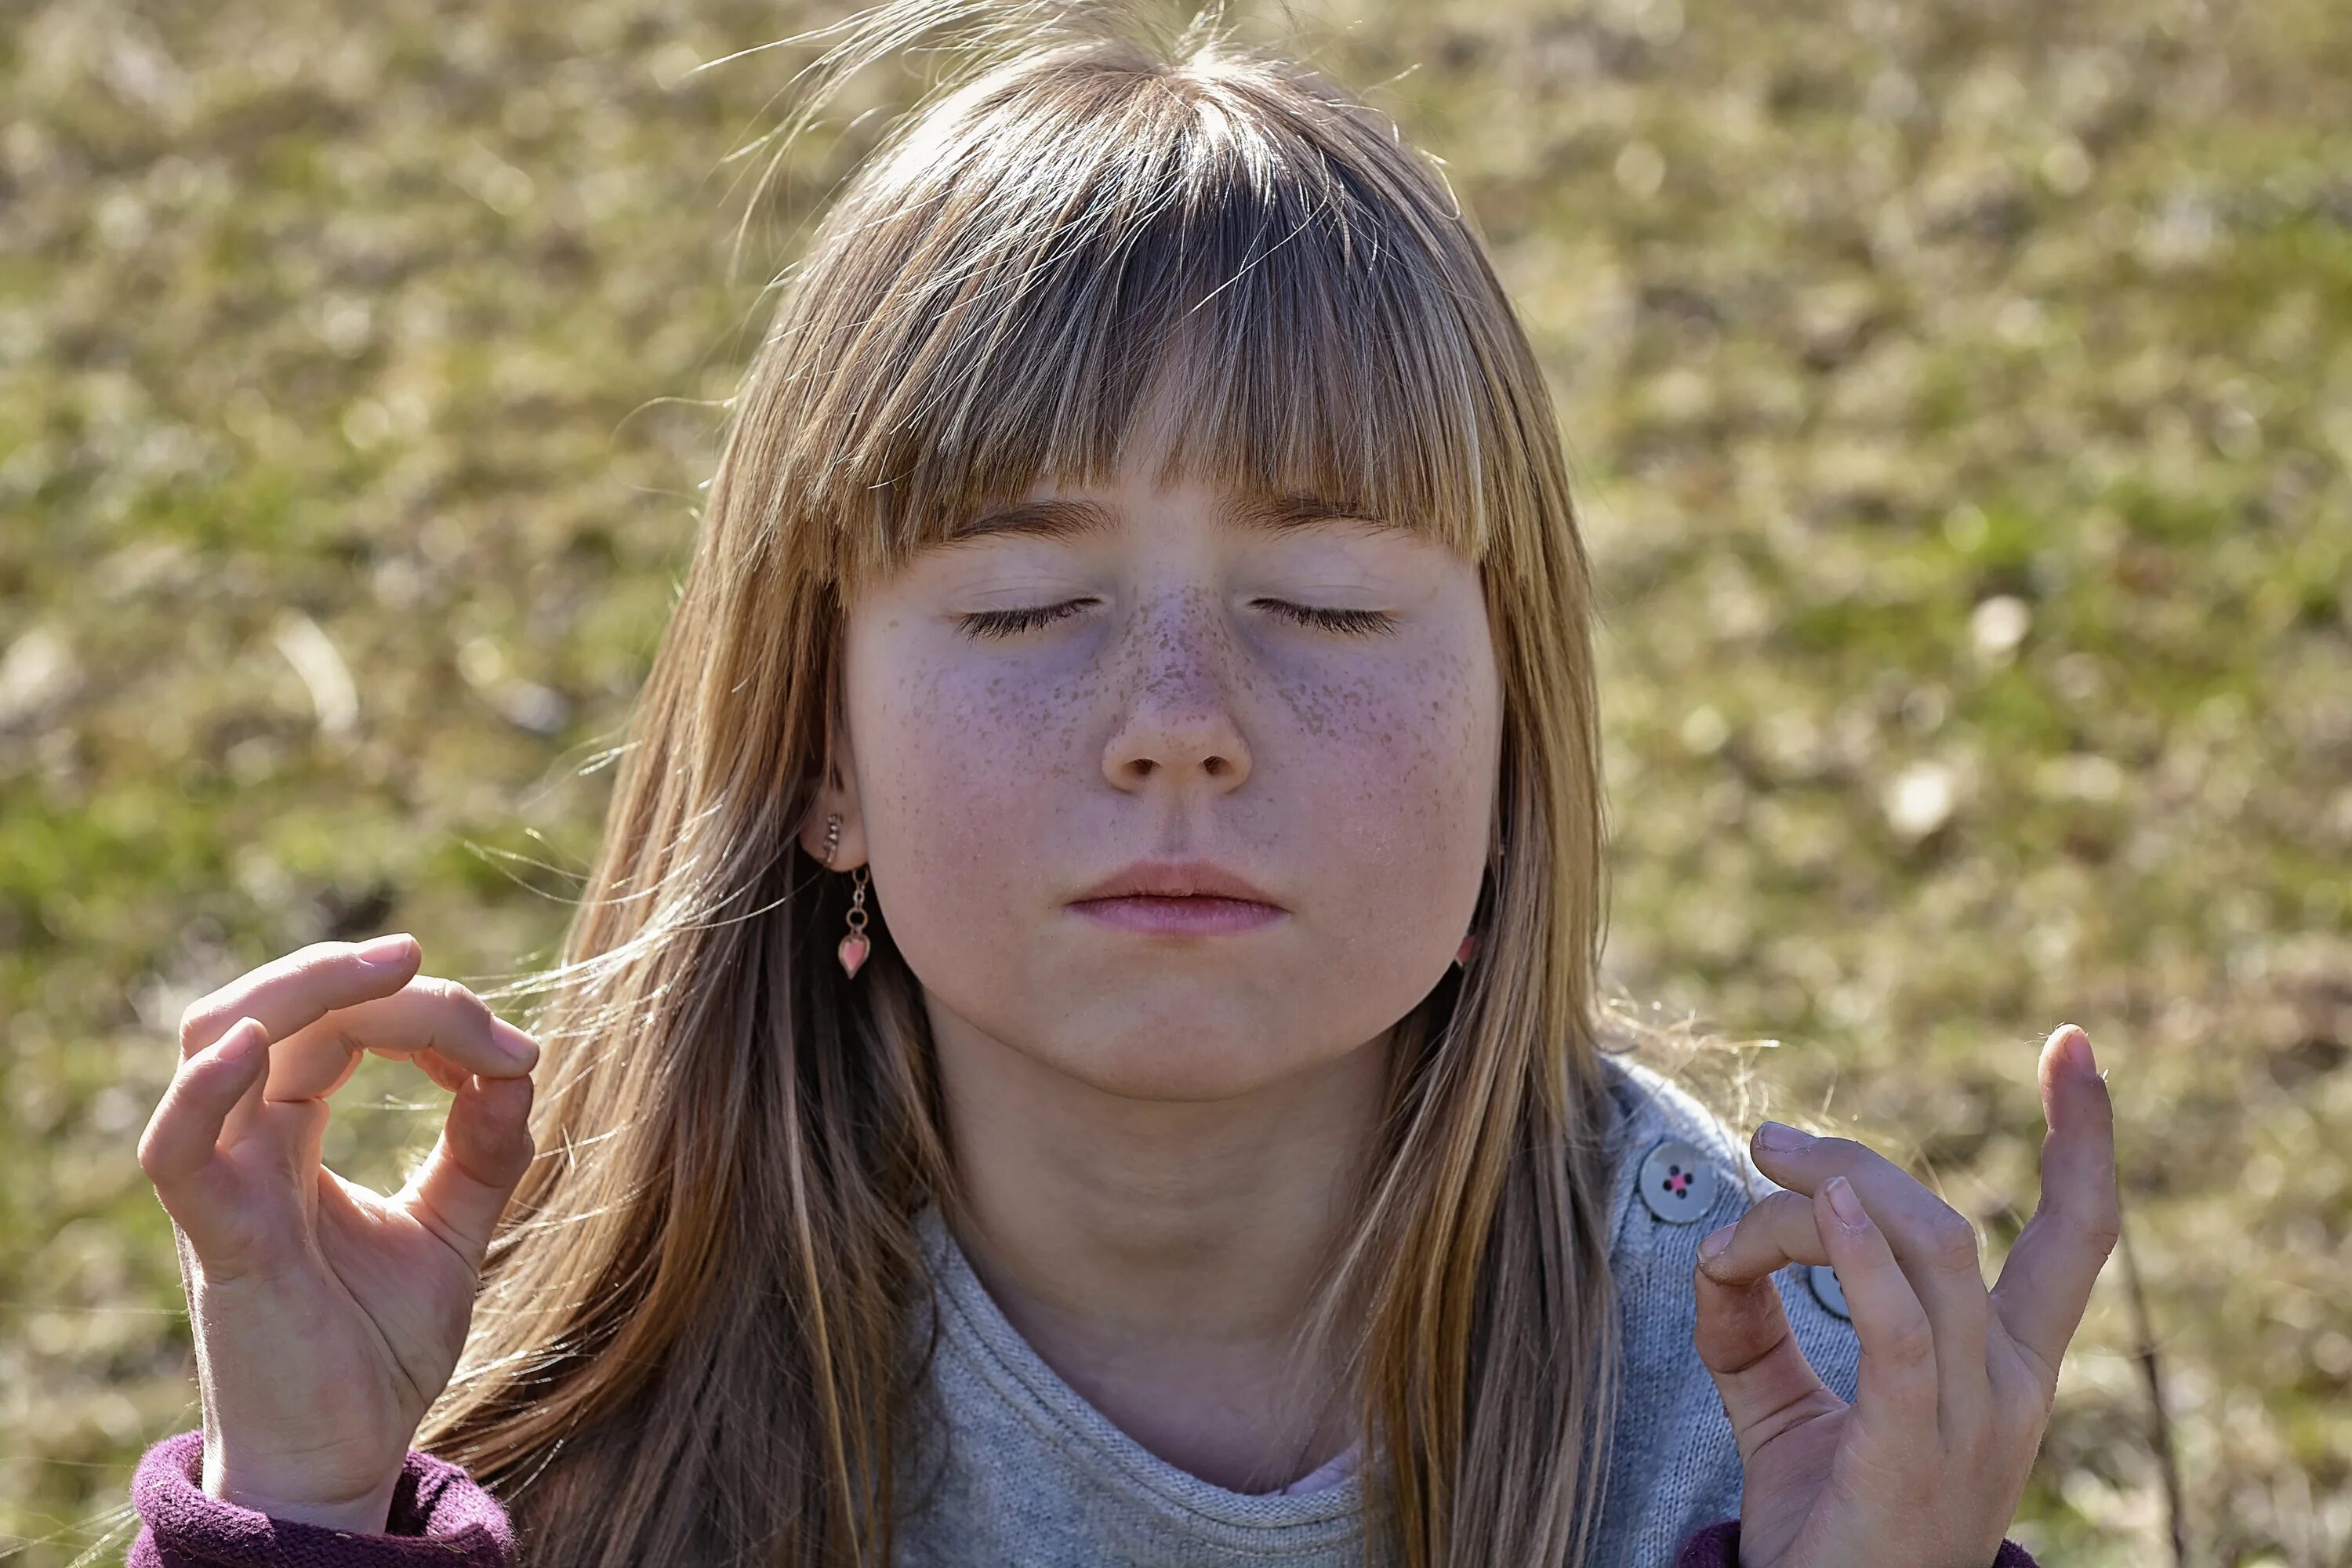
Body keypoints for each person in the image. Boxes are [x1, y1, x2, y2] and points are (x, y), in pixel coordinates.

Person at [125, 2, 2118, 1563]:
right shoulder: (536, 1384)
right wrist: (306, 1502)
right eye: (1026, 603)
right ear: (822, 749)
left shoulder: (1772, 1403)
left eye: (1323, 602)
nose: (1179, 717)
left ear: (1522, 733)